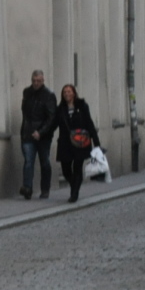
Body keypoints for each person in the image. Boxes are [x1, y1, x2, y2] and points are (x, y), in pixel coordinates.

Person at [50, 83, 100, 204]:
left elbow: (89, 123)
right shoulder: (60, 109)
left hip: (80, 142)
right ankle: (74, 185)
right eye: (65, 92)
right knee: (66, 169)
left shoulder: (82, 106)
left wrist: (96, 142)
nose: (67, 94)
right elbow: (53, 124)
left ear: (74, 93)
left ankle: (74, 193)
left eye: (69, 91)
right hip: (65, 143)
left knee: (77, 167)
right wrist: (42, 134)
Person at [20, 69, 57, 199]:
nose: (36, 83)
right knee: (28, 161)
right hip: (28, 133)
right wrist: (26, 131)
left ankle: (45, 189)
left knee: (44, 162)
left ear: (43, 80)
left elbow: (51, 118)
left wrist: (40, 132)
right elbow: (25, 113)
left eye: (38, 81)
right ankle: (27, 188)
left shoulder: (49, 95)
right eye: (34, 81)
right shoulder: (27, 92)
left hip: (43, 136)